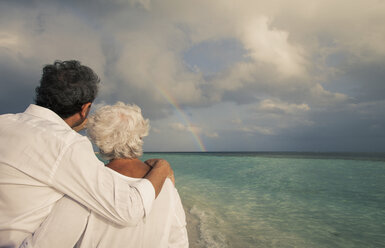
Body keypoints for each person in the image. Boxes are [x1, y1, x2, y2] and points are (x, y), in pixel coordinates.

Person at [0, 61, 172, 248]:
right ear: (85, 108)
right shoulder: (68, 144)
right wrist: (162, 168)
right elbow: (129, 211)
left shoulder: (4, 122)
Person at [20, 102, 189, 248]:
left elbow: (46, 243)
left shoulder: (89, 185)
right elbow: (179, 242)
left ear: (98, 139)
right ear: (140, 136)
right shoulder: (166, 185)